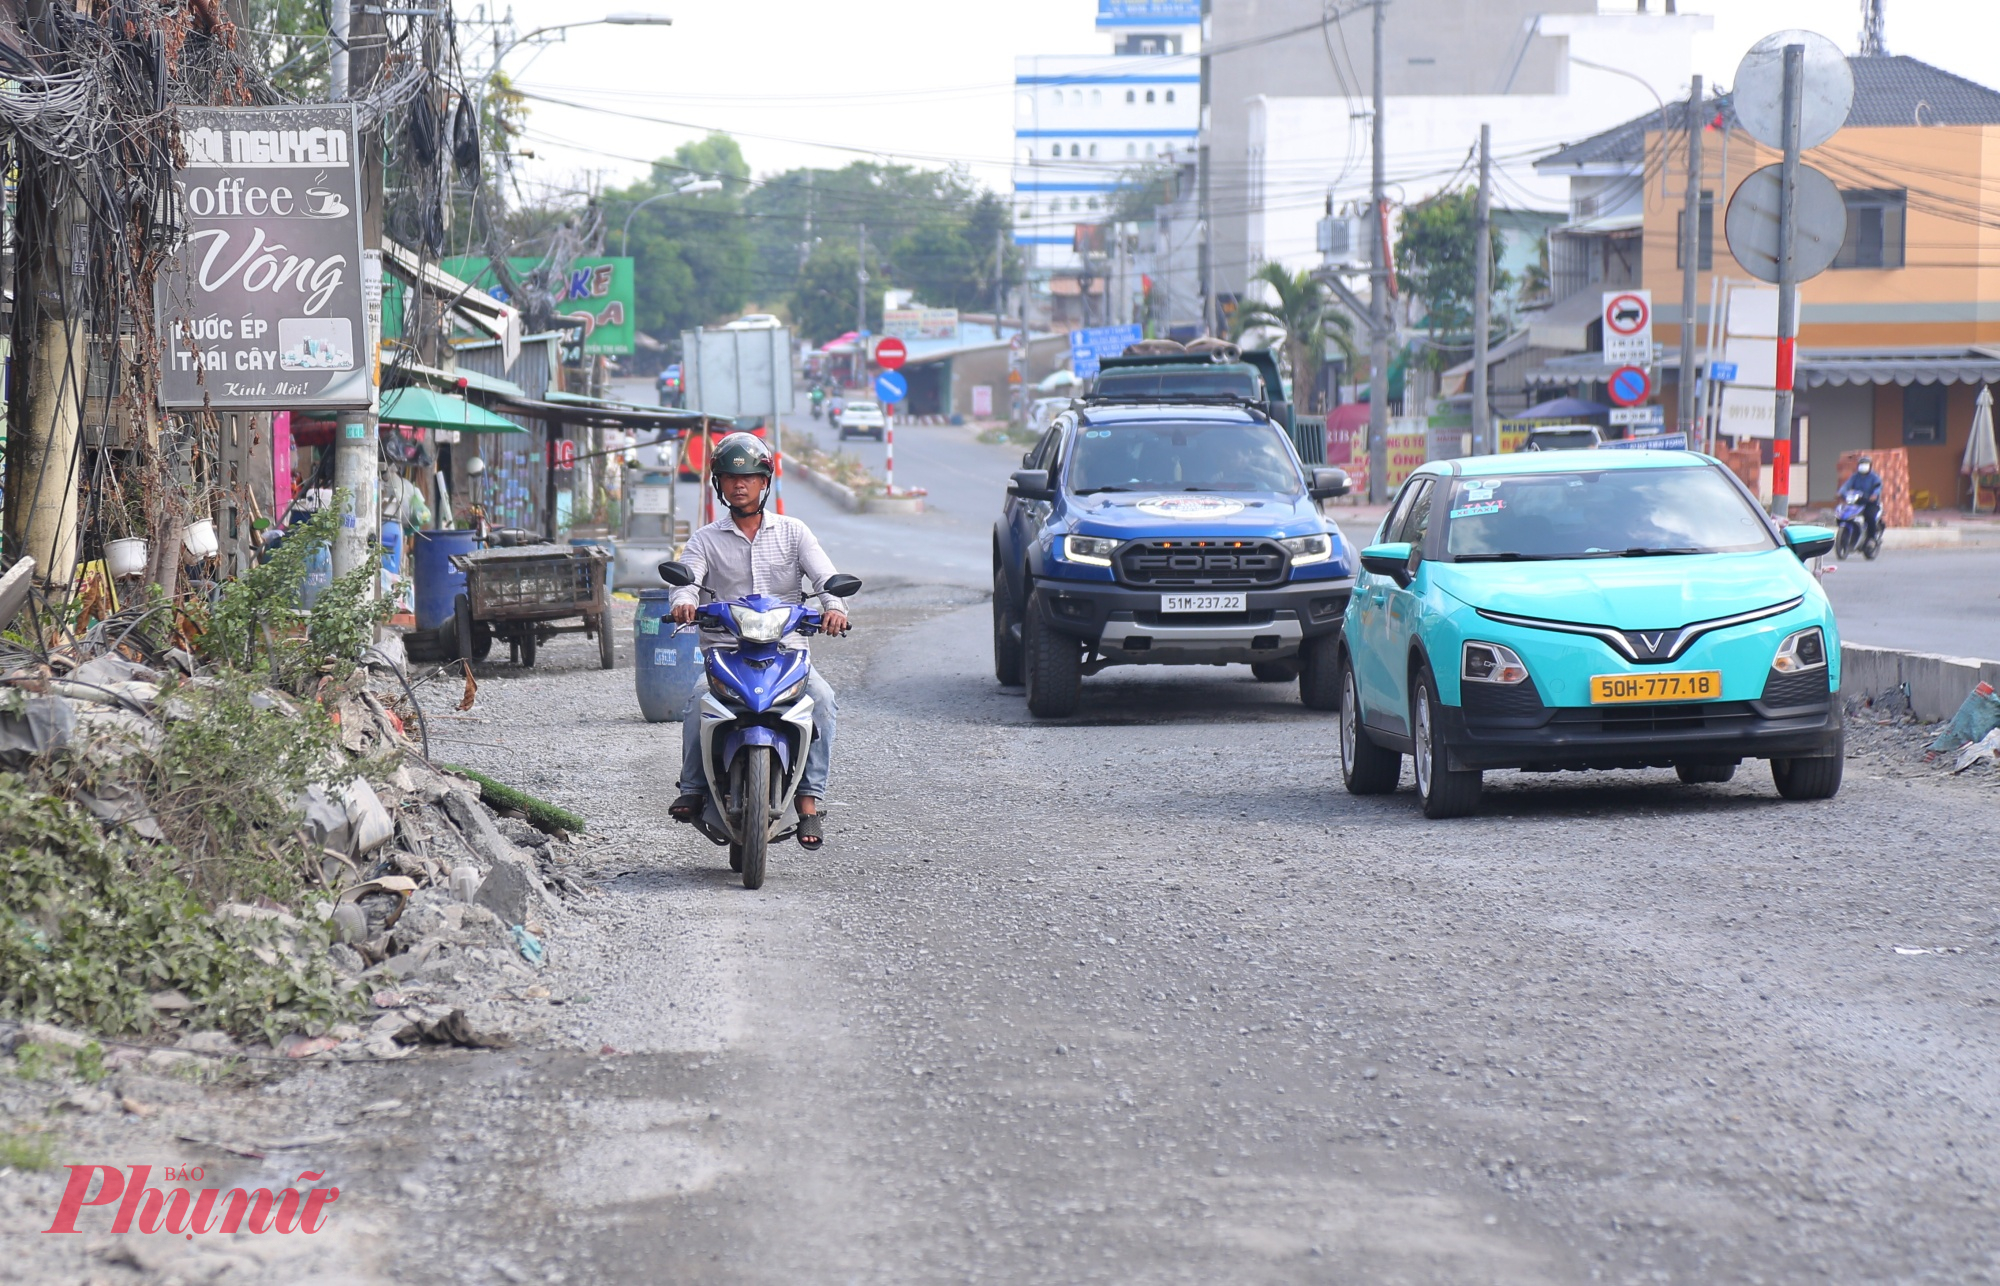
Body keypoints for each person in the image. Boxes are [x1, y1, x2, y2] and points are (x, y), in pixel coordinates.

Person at [668, 433, 848, 850]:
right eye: (730, 477)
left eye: (749, 476)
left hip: (787, 653)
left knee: (822, 700)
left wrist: (835, 608)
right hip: (726, 653)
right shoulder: (705, 539)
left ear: (765, 482)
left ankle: (809, 803)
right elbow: (687, 581)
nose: (739, 485)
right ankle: (693, 787)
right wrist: (683, 601)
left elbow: (825, 578)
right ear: (719, 484)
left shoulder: (793, 532)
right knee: (698, 702)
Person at [1841, 454, 1884, 539]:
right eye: (1861, 464)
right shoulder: (1855, 476)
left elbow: (1878, 487)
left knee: (1869, 517)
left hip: (1870, 503)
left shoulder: (1874, 477)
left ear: (1870, 466)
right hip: (1857, 502)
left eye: (1865, 464)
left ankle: (1871, 538)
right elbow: (1847, 485)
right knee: (1845, 514)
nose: (1863, 466)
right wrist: (1841, 492)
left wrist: (1874, 495)